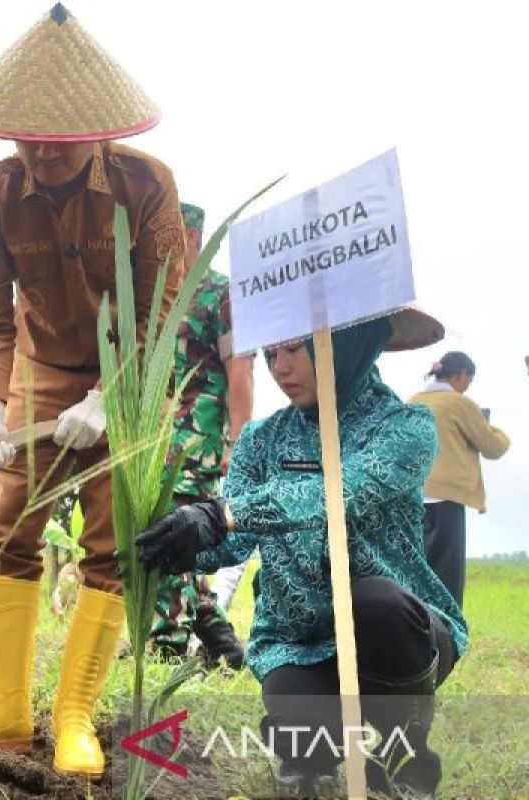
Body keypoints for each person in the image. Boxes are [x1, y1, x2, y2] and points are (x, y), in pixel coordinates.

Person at [0, 5, 187, 780]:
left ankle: (74, 719)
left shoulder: (146, 186)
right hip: (38, 370)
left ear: (96, 132)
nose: (38, 150)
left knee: (111, 541)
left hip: (131, 380)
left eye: (57, 138)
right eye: (24, 134)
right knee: (9, 525)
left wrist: (110, 398)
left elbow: (162, 308)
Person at [134, 311, 467, 798]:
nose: (279, 368)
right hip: (299, 639)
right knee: (304, 753)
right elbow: (233, 542)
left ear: (348, 343)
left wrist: (223, 513)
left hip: (395, 633)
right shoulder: (261, 440)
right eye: (271, 354)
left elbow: (339, 491)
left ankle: (403, 755)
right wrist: (177, 542)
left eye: (295, 349)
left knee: (376, 603)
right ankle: (317, 742)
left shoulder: (407, 429)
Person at [149, 203, 253, 669]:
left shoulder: (220, 293)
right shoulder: (158, 297)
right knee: (163, 533)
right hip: (155, 442)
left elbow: (240, 371)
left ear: (193, 239)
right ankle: (221, 639)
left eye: (174, 242)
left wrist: (237, 442)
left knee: (176, 533)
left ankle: (167, 648)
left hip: (199, 437)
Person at [408, 351, 510, 605]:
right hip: (447, 499)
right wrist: (494, 429)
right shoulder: (460, 403)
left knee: (420, 571)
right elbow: (493, 448)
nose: (466, 387)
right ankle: (448, 637)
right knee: (447, 576)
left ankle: (418, 633)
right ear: (462, 374)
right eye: (468, 381)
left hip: (412, 497)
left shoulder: (412, 402)